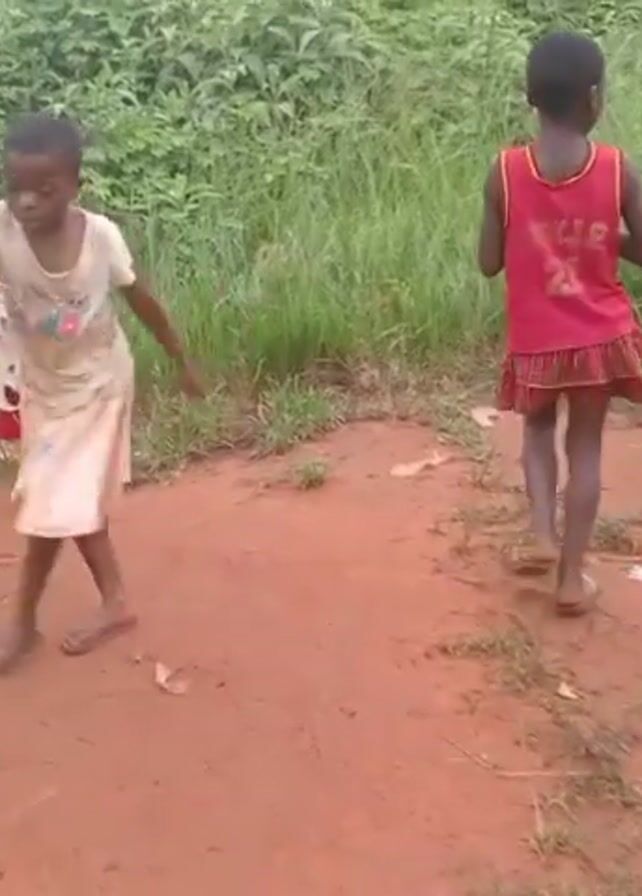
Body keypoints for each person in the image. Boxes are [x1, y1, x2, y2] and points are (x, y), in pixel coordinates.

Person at [0, 113, 203, 671]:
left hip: (98, 387)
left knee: (49, 502)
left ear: (74, 186)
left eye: (44, 190)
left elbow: (143, 301)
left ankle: (21, 622)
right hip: (44, 388)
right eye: (16, 187)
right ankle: (114, 600)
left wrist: (181, 360)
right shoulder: (3, 231)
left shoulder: (100, 239)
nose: (27, 202)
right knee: (68, 499)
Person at [478, 32, 642, 616]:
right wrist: (605, 235)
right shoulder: (619, 170)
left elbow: (488, 262)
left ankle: (542, 532)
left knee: (538, 431)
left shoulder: (504, 172)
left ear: (531, 96)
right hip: (599, 338)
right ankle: (572, 581)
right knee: (587, 447)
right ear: (594, 98)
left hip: (537, 341)